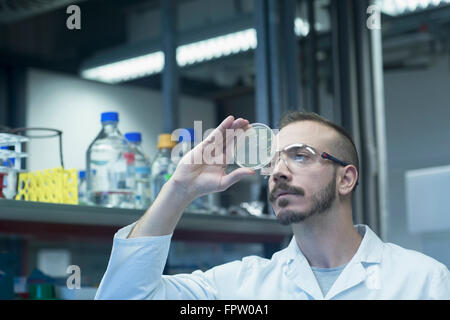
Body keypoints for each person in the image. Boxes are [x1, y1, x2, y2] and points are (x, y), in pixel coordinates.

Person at [95, 111, 450, 300]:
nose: (278, 171)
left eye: (300, 156)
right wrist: (180, 189)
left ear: (346, 179)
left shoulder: (422, 282)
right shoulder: (241, 287)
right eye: (273, 161)